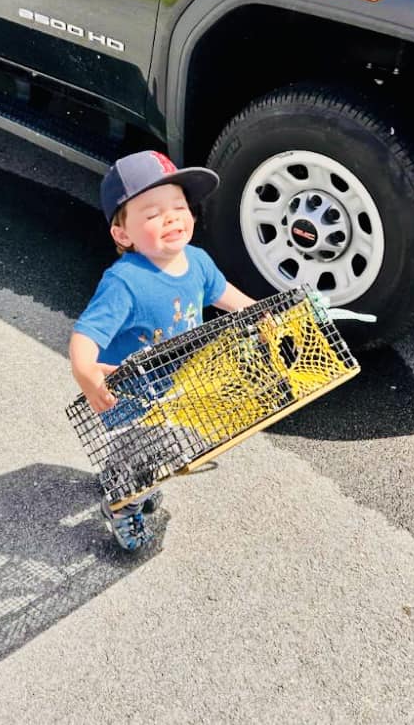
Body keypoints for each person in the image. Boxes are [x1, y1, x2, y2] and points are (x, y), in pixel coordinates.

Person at [69, 149, 255, 551]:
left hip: (177, 384)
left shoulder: (197, 261)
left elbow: (222, 294)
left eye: (179, 206)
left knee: (158, 449)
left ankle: (127, 476)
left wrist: (259, 313)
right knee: (144, 456)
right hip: (130, 396)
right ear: (123, 235)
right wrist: (86, 375)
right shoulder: (125, 282)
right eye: (152, 214)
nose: (172, 217)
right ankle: (122, 506)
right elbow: (85, 336)